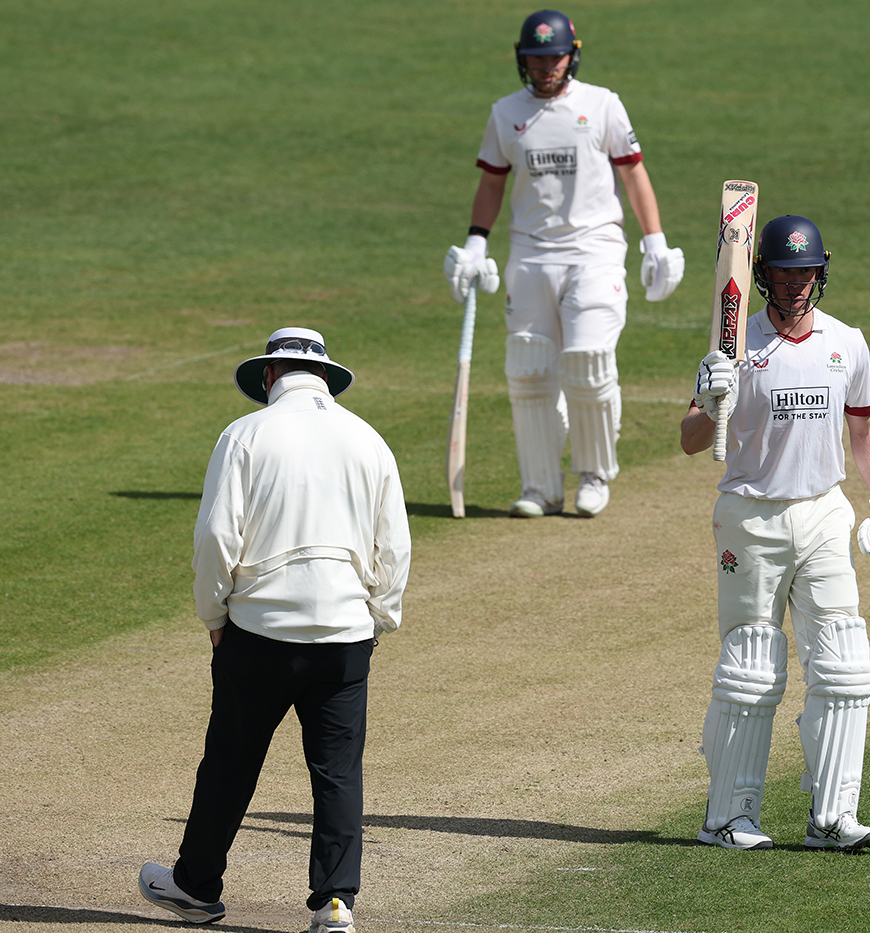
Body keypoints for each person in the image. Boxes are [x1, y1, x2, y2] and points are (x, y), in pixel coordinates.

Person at [139, 328, 411, 932]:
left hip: (257, 632)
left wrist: (214, 614)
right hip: (344, 634)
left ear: (269, 376)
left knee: (231, 761)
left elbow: (215, 537)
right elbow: (395, 543)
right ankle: (335, 902)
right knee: (337, 770)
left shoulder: (246, 433)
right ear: (323, 377)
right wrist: (379, 617)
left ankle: (195, 886)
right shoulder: (368, 438)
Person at [681, 216, 870, 851]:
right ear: (762, 277)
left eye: (805, 272)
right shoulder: (734, 348)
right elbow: (690, 440)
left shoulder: (847, 343)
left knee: (844, 667)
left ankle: (832, 817)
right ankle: (729, 818)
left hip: (825, 512)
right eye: (783, 273)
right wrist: (709, 394)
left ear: (821, 272)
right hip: (750, 517)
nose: (795, 285)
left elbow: (863, 428)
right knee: (752, 670)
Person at [444, 9, 685, 519]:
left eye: (553, 58)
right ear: (522, 60)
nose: (545, 68)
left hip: (595, 250)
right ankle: (540, 488)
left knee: (587, 361)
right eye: (536, 59)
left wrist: (655, 241)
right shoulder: (506, 112)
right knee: (529, 370)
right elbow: (492, 182)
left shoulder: (602, 105)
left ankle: (594, 474)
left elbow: (634, 175)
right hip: (531, 254)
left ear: (571, 55)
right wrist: (475, 243)